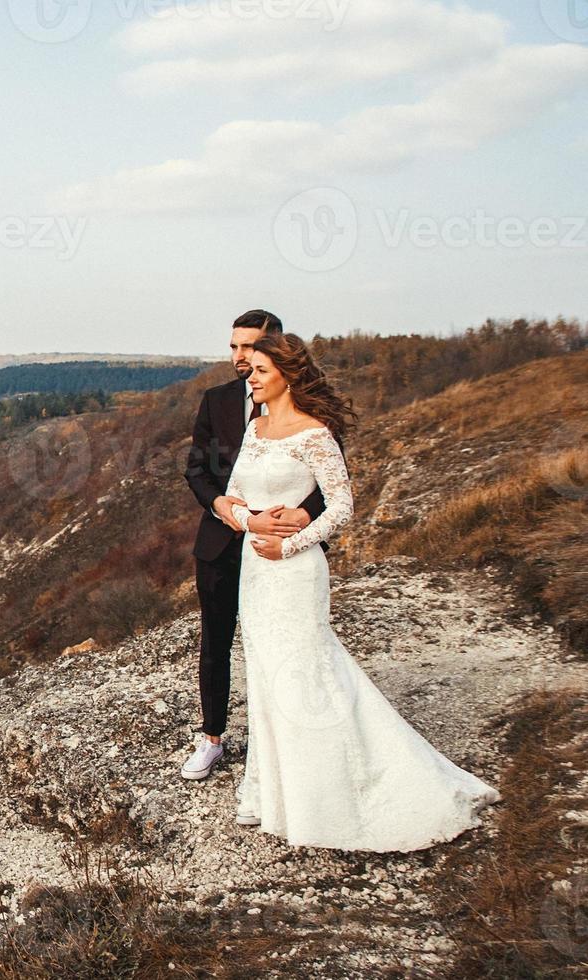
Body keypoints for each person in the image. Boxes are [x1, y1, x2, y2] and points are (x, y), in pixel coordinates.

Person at [217, 332, 500, 850]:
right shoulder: (255, 428)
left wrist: (292, 543)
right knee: (265, 674)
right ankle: (276, 792)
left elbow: (342, 507)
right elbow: (229, 495)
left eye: (258, 369)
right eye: (249, 369)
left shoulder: (315, 434)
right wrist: (247, 518)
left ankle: (331, 795)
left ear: (286, 374)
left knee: (307, 676)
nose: (249, 377)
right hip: (254, 573)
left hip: (294, 571)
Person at [181, 310, 323, 781]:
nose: (240, 357)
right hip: (222, 543)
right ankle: (212, 739)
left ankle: (281, 744)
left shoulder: (309, 410)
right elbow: (196, 469)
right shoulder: (217, 400)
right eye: (234, 347)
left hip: (280, 550)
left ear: (277, 347)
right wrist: (221, 504)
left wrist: (307, 513)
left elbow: (331, 479)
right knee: (216, 643)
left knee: (282, 646)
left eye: (250, 347)